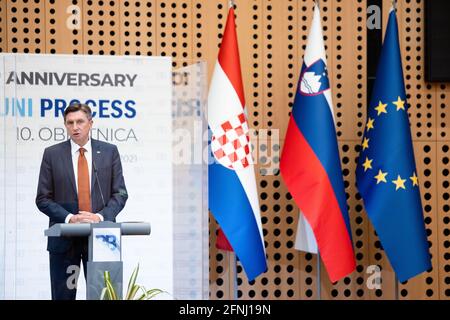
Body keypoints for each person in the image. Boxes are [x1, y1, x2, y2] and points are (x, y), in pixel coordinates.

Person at [36, 103, 128, 300]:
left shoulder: (109, 151)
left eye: (80, 121)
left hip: (101, 238)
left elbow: (120, 193)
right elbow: (43, 198)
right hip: (64, 241)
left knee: (103, 296)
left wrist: (99, 217)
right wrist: (70, 218)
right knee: (63, 297)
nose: (75, 127)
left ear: (90, 123)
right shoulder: (52, 154)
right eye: (70, 123)